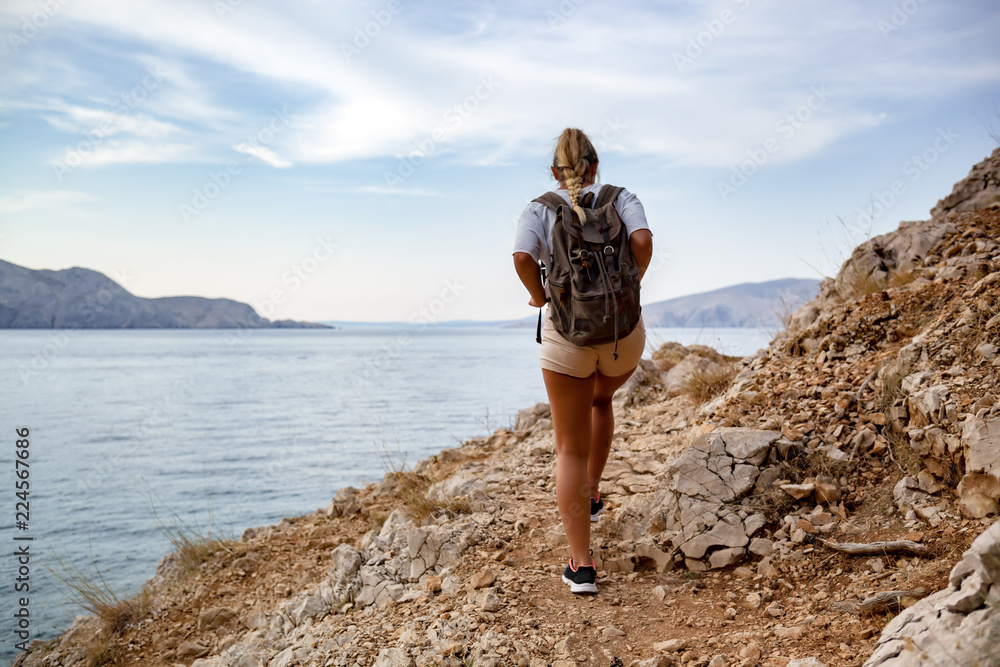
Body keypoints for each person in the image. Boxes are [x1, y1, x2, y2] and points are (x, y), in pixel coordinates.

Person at [512, 128, 653, 594]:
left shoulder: (539, 207)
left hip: (567, 337)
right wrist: (630, 287)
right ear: (596, 165)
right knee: (601, 398)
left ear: (555, 171)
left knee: (568, 448)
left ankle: (582, 566)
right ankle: (593, 491)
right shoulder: (621, 196)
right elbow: (643, 242)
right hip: (621, 336)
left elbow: (521, 257)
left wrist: (538, 296)